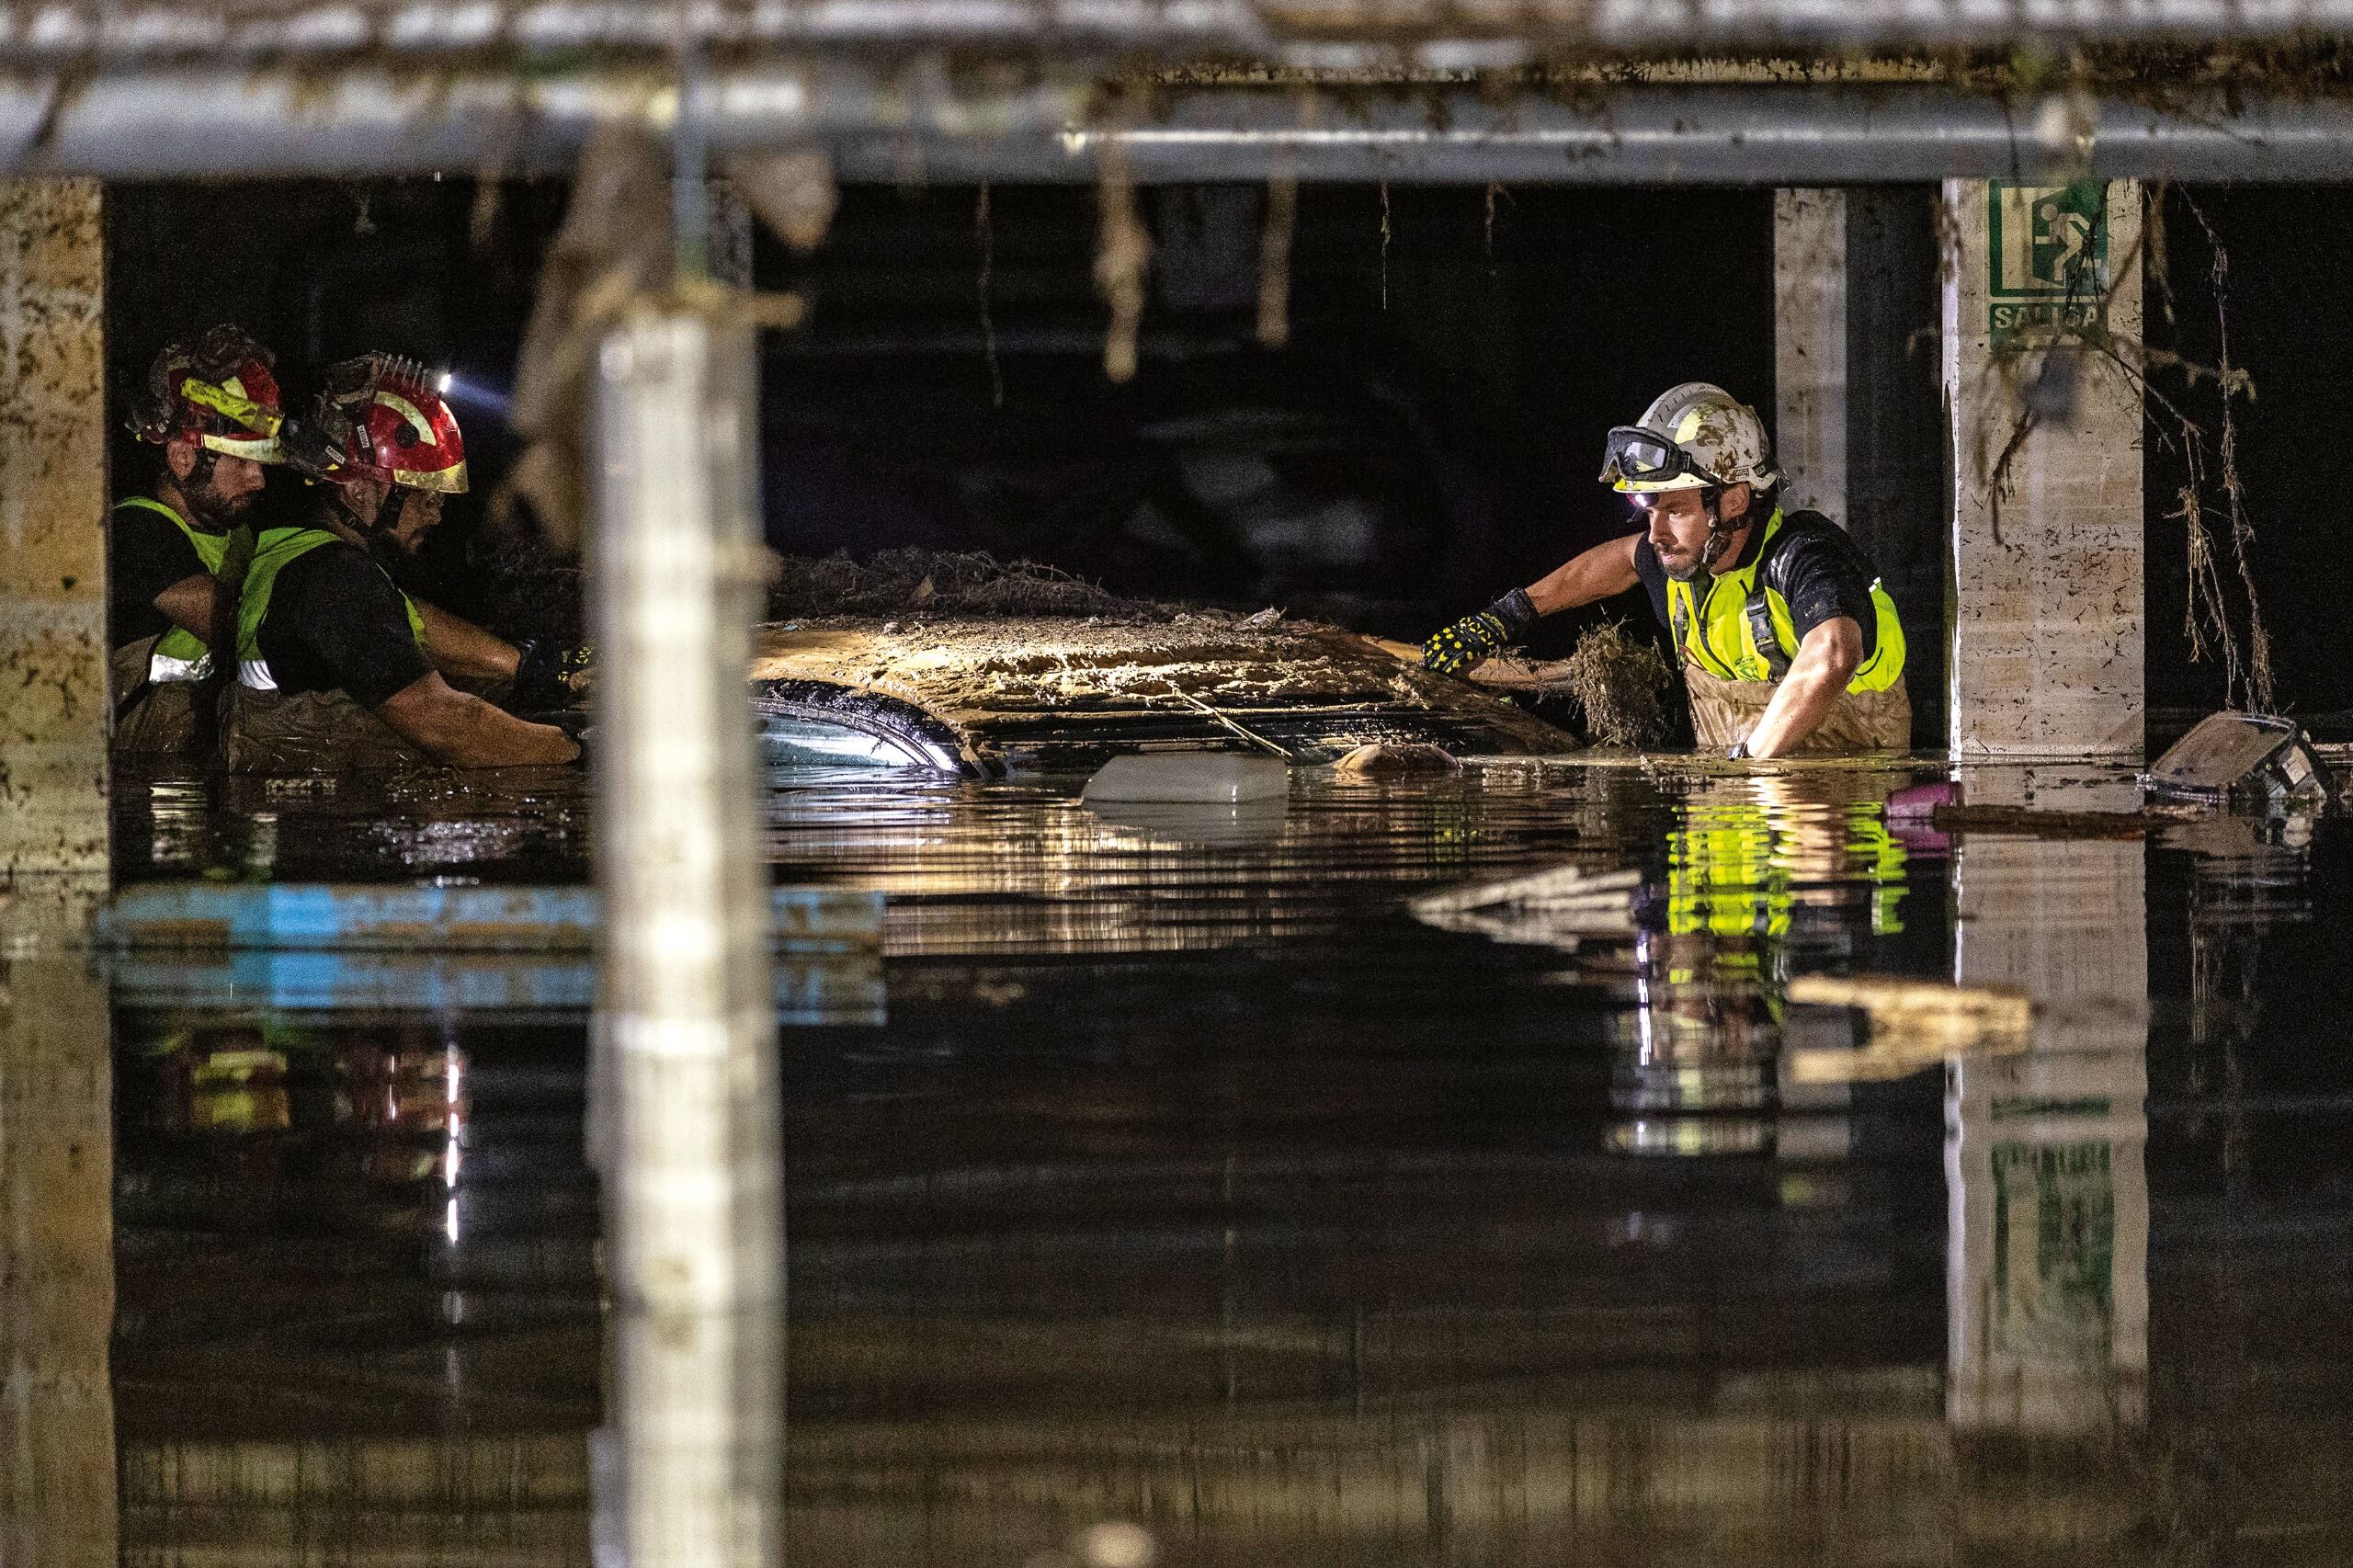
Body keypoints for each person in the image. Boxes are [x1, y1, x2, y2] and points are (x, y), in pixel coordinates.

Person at [1423, 383, 1910, 758]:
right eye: (1649, 509)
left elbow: (1833, 654)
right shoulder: (1682, 562)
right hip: (1721, 844)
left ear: (1734, 499)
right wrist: (1508, 615)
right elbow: (1617, 560)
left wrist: (1751, 763)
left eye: (1674, 510)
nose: (1656, 532)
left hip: (1834, 824)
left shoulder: (1804, 555)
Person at [227, 353, 586, 772]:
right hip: (316, 823)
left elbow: (415, 626)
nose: (434, 515)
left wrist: (536, 668)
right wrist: (580, 748)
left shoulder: (303, 555)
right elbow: (448, 727)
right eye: (423, 496)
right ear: (360, 488)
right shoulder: (334, 578)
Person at [111, 326, 287, 756]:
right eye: (244, 461)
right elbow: (241, 625)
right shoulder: (134, 530)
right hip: (143, 775)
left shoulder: (241, 535)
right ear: (184, 457)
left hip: (194, 759)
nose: (259, 479)